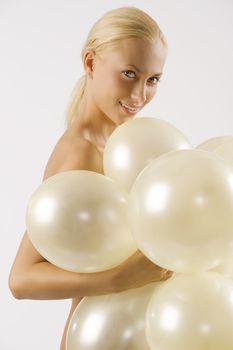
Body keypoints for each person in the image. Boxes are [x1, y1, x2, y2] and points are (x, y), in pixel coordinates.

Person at [8, 6, 173, 350]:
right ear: (90, 63)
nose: (140, 95)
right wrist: (119, 279)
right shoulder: (78, 154)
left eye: (153, 79)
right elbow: (21, 280)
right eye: (129, 73)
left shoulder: (129, 142)